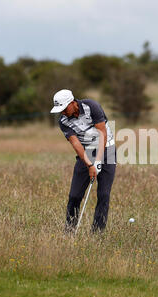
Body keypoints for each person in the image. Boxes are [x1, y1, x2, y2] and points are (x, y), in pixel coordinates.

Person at [51, 89, 116, 233]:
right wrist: (89, 164)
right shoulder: (63, 121)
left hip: (107, 149)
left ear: (72, 103)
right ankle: (69, 230)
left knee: (103, 194)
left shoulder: (92, 106)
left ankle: (97, 233)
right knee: (75, 195)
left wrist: (98, 160)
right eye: (60, 110)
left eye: (64, 108)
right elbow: (76, 144)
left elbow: (102, 133)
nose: (62, 112)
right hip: (86, 152)